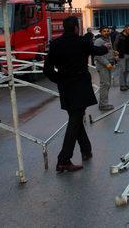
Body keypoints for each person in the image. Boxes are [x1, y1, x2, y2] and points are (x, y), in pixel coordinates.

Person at [43, 16, 107, 173]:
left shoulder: (56, 44)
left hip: (65, 87)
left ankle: (86, 150)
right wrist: (106, 47)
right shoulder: (82, 42)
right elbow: (98, 51)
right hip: (80, 86)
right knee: (75, 120)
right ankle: (63, 160)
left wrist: (59, 79)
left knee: (76, 117)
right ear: (76, 28)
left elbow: (47, 69)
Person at [93, 26, 115, 111]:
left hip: (109, 64)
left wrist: (114, 54)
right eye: (104, 31)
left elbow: (109, 50)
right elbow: (97, 55)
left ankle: (104, 102)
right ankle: (103, 105)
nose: (106, 32)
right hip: (103, 66)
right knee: (104, 84)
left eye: (107, 31)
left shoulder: (108, 39)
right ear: (100, 32)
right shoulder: (98, 41)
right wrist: (106, 63)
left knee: (107, 84)